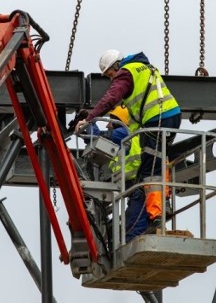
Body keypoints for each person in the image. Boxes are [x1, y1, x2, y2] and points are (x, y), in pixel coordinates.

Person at [75, 50, 181, 234]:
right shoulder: (142, 68)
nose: (111, 79)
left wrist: (89, 119)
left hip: (157, 119)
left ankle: (156, 216)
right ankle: (160, 209)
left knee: (151, 171)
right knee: (154, 164)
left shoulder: (126, 72)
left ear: (116, 66)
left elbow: (111, 98)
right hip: (170, 116)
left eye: (110, 74)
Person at [79, 105, 147, 241]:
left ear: (120, 122)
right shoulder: (124, 137)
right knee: (130, 224)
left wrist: (89, 121)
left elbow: (98, 136)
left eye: (111, 121)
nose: (109, 125)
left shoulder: (124, 133)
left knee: (133, 229)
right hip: (134, 187)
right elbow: (98, 140)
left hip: (138, 186)